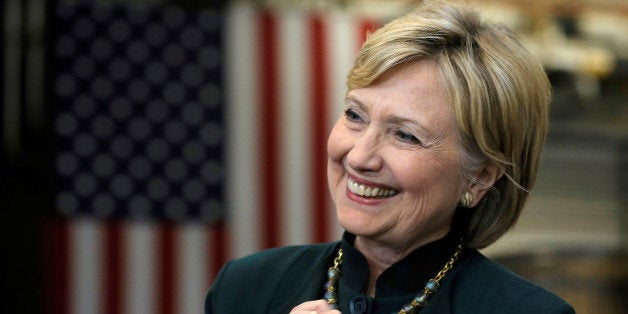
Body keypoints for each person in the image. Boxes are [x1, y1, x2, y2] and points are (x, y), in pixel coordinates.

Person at [206, 1, 575, 313]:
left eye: (405, 135)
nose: (360, 156)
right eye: (355, 115)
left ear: (479, 177)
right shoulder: (244, 288)